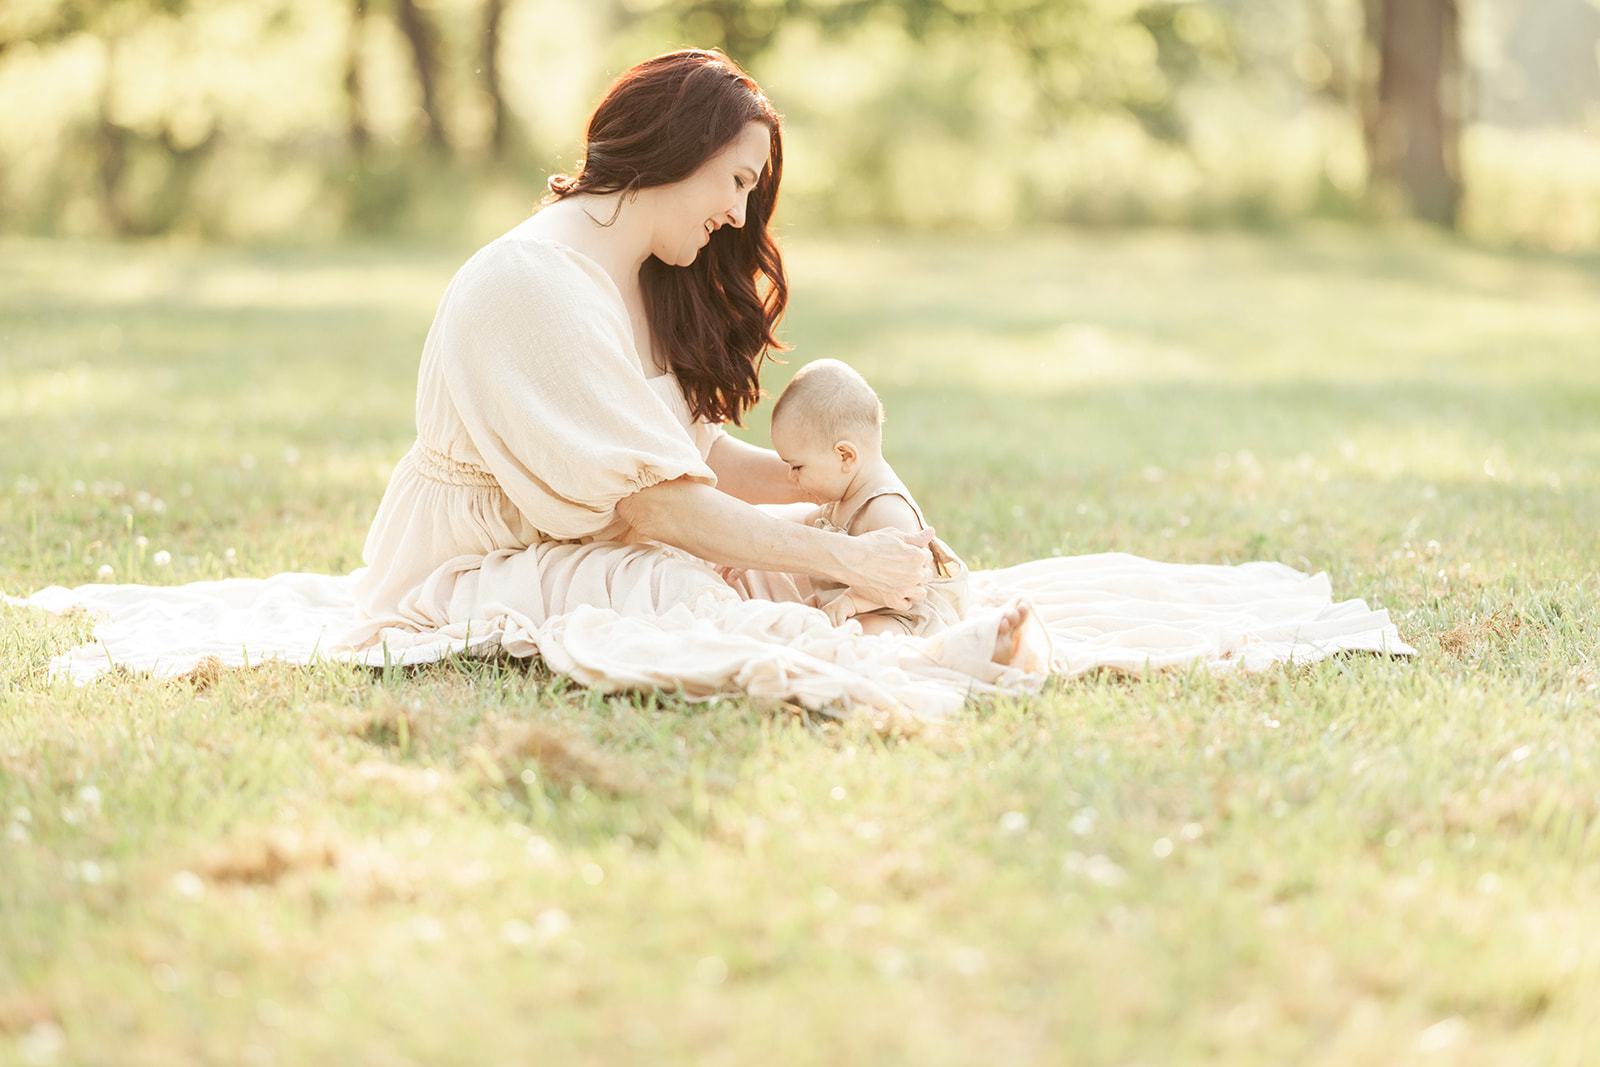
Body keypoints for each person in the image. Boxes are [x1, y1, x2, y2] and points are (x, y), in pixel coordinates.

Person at [345, 49, 966, 655]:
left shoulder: (650, 274)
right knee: (693, 589)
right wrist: (843, 556)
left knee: (855, 544)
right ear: (682, 148)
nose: (738, 213)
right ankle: (890, 656)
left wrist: (838, 484)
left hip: (622, 539)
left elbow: (690, 458)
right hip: (485, 565)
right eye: (738, 181)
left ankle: (903, 638)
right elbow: (653, 503)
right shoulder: (530, 282)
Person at [768, 358, 969, 636]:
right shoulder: (838, 502)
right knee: (797, 622)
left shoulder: (885, 508)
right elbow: (796, 527)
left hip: (905, 616)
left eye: (797, 466)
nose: (792, 477)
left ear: (845, 456)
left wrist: (850, 602)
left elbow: (910, 578)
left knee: (865, 634)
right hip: (854, 609)